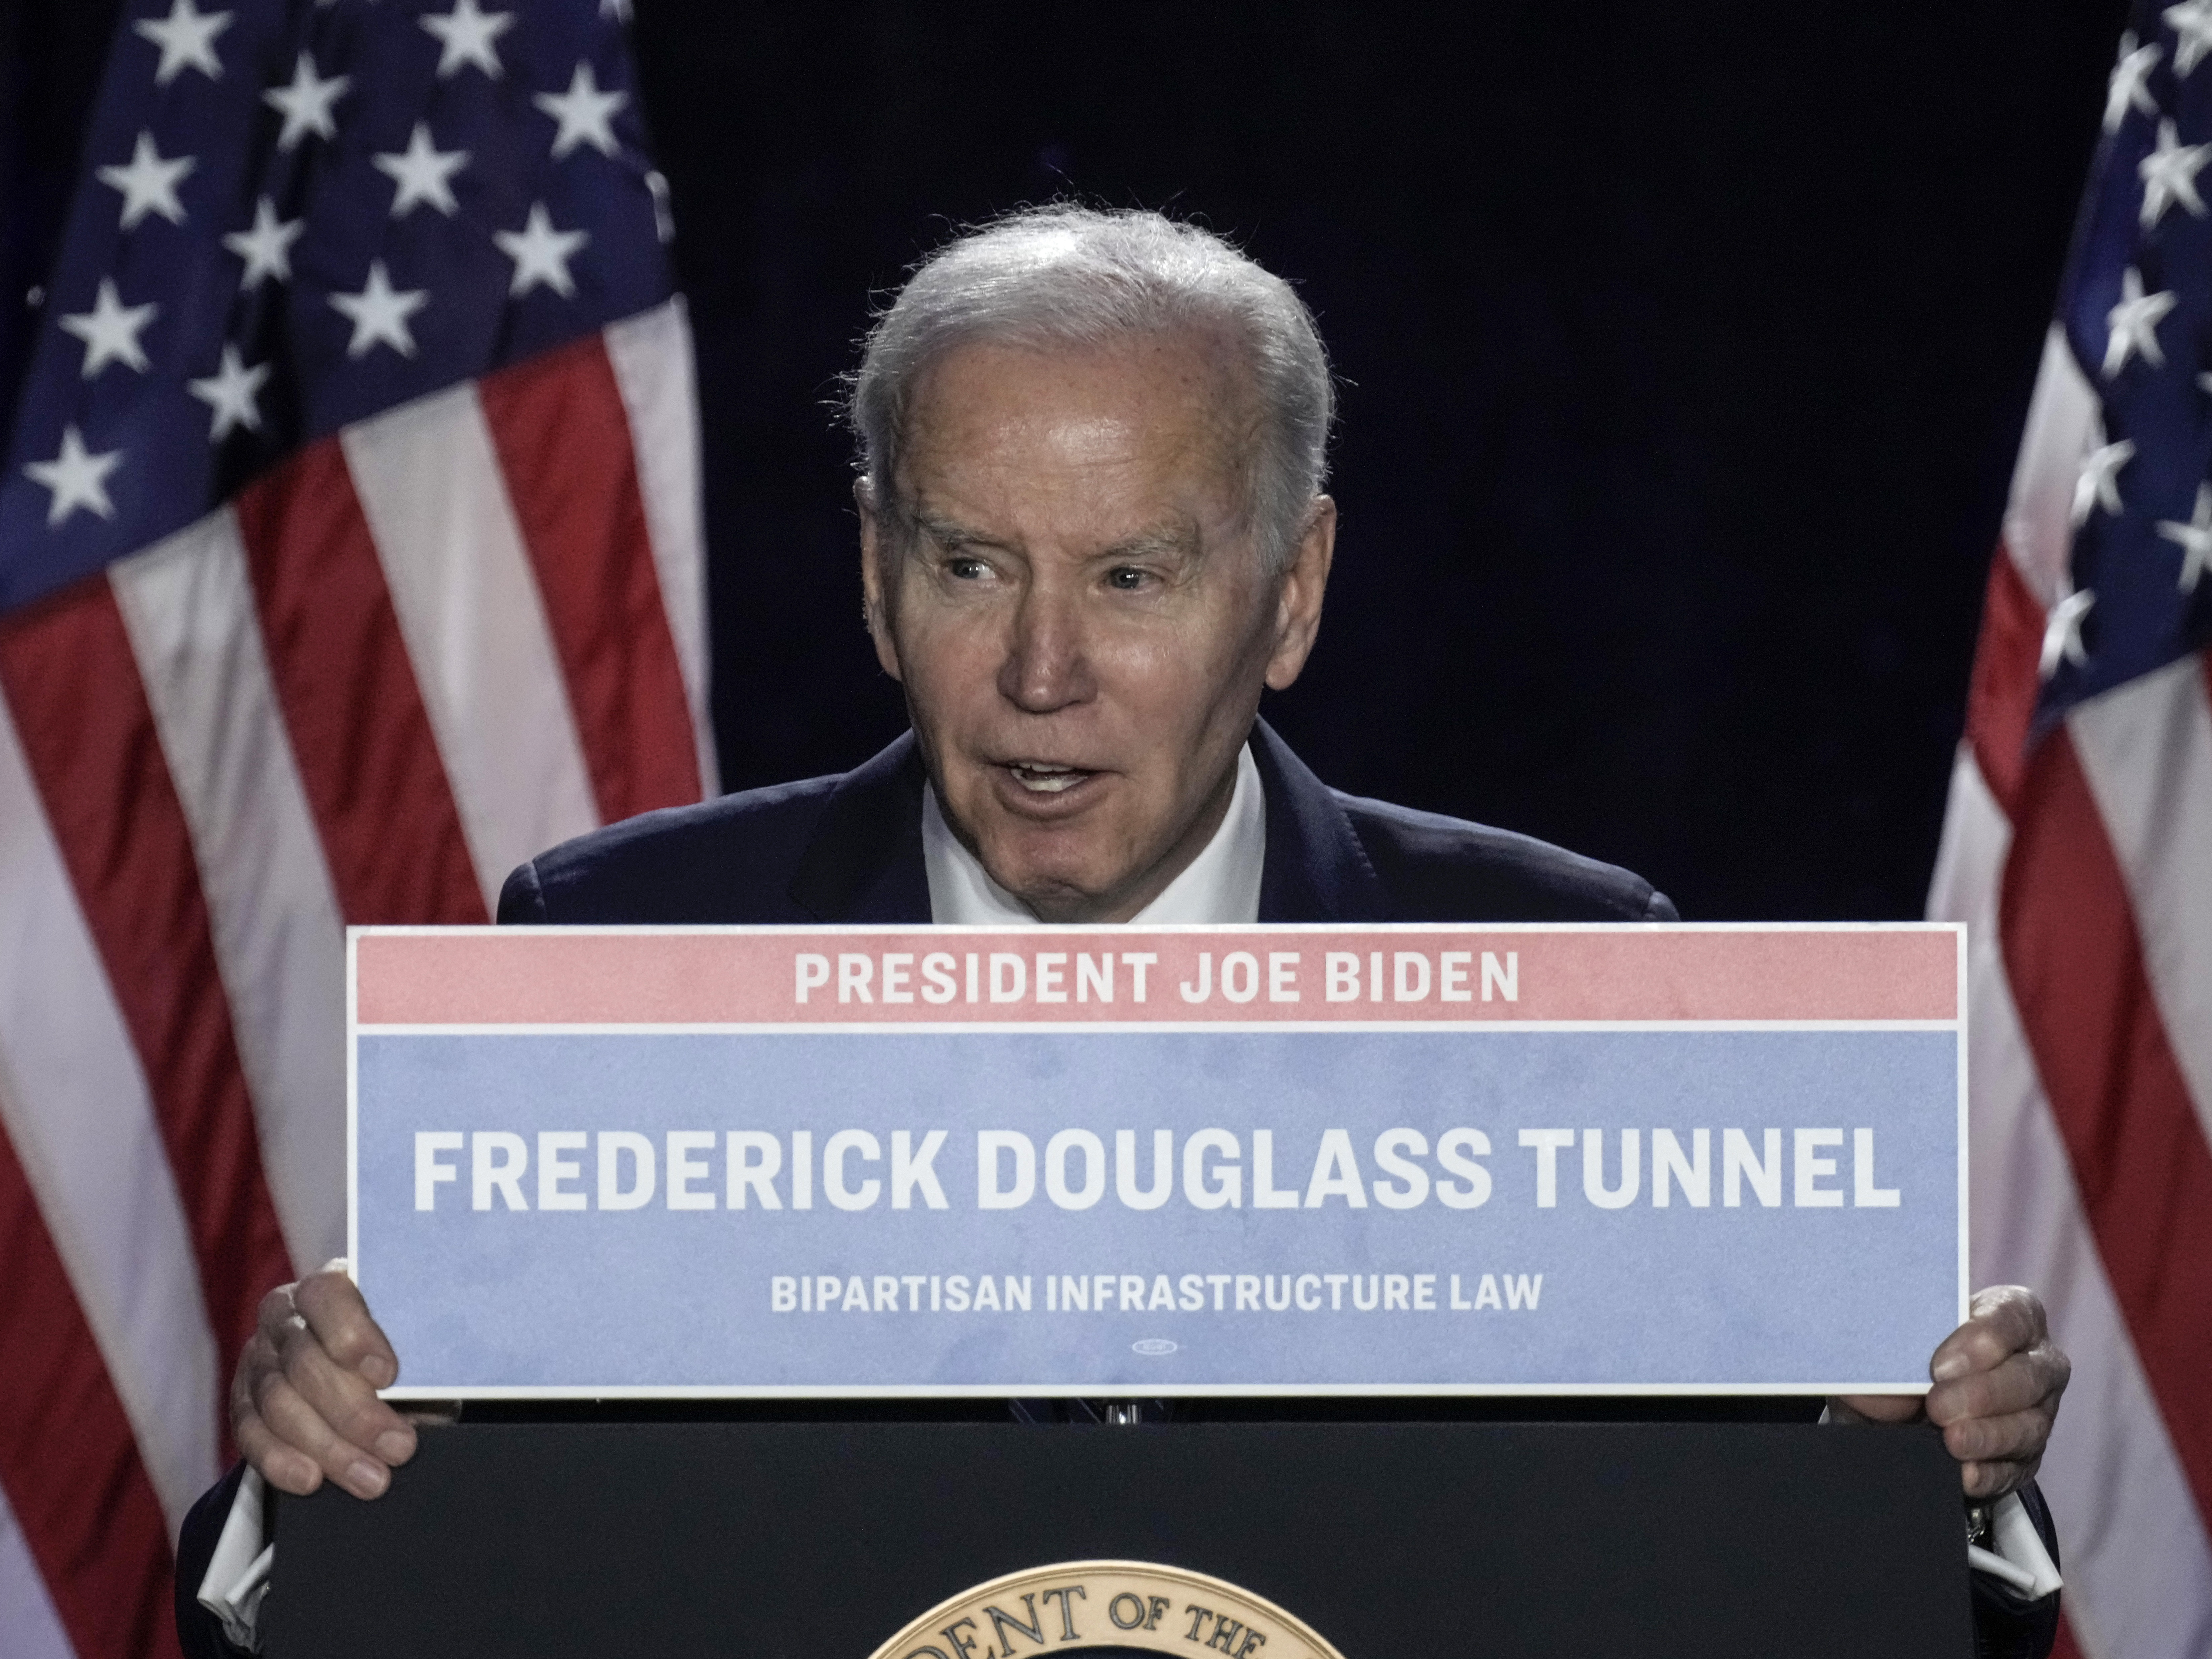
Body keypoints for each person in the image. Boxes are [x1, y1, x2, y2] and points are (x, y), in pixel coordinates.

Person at [177, 207, 2070, 1657]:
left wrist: (1923, 1469)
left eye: (1133, 577)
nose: (1040, 673)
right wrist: (312, 1479)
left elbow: (1718, 1596)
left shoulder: (1571, 985)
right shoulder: (614, 957)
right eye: (969, 564)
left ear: (1292, 589)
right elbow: (481, 1590)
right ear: (871, 571)